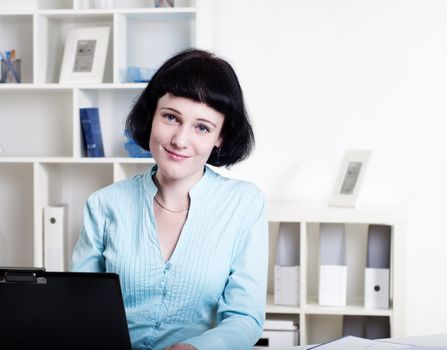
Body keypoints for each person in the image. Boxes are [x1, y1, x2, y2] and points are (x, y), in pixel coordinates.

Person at [71, 49, 268, 350]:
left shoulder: (244, 204)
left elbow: (244, 317)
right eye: (171, 117)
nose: (180, 140)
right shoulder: (104, 205)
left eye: (202, 127)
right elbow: (78, 309)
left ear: (220, 138)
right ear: (152, 116)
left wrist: (196, 348)